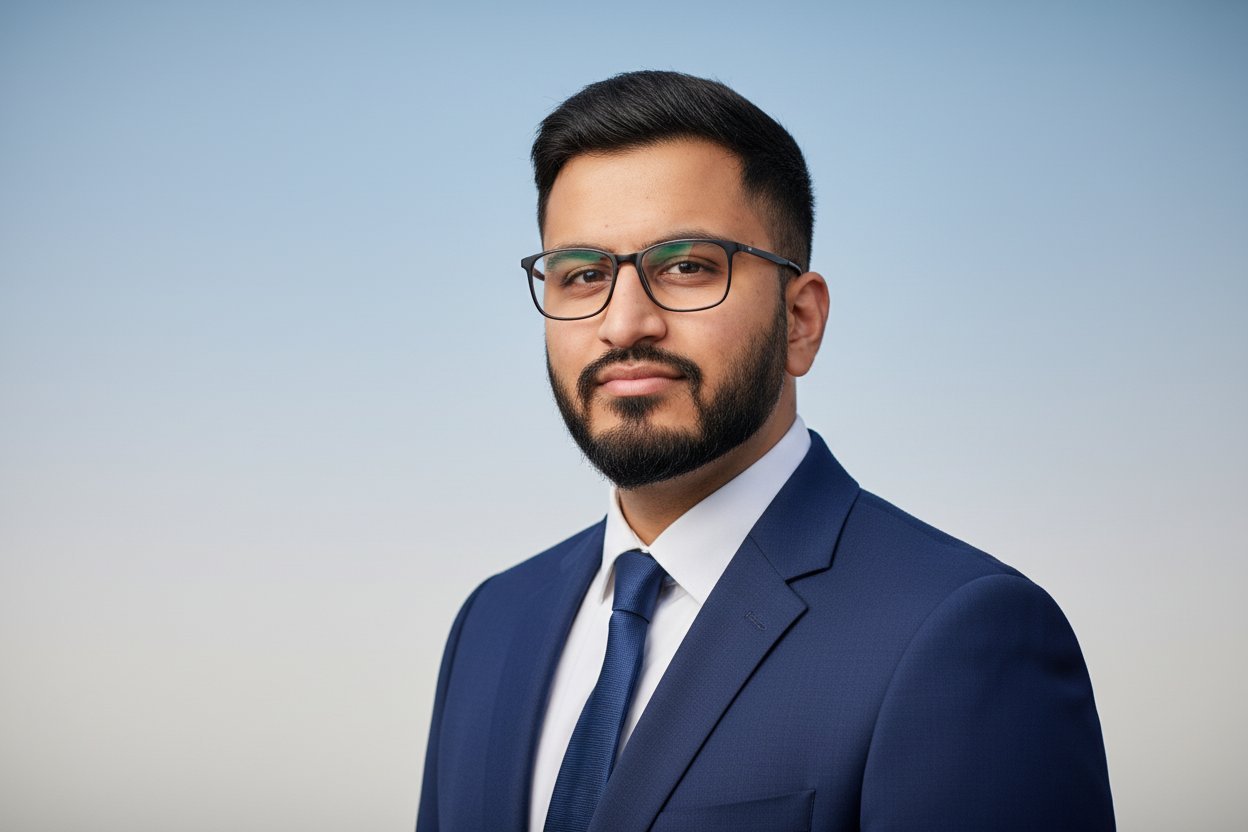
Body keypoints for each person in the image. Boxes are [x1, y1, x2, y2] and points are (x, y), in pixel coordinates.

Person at [416, 70, 1115, 832]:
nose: (623, 324)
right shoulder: (491, 624)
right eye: (583, 275)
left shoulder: (959, 635)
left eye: (686, 267)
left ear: (800, 320)